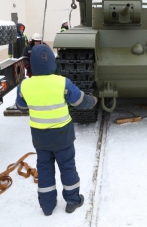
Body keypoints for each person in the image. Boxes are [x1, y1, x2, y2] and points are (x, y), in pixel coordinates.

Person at [16, 44, 97, 216]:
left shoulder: (25, 85)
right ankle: (73, 201)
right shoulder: (62, 83)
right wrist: (93, 100)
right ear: (52, 62)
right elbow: (80, 102)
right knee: (67, 167)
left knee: (44, 169)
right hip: (63, 137)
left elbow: (21, 107)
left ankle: (47, 206)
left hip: (40, 138)